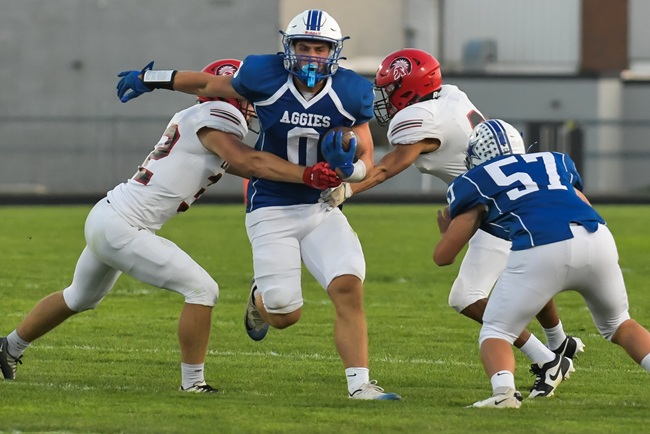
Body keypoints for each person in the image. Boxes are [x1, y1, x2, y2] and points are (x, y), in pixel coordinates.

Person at [0, 59, 343, 392]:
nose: (252, 106)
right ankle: (192, 382)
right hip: (124, 225)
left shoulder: (199, 119)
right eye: (246, 98)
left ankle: (9, 347)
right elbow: (248, 161)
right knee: (203, 290)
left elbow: (251, 166)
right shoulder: (220, 118)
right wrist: (307, 174)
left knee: (79, 296)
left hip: (110, 215)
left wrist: (307, 178)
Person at [115, 9, 401, 400]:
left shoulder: (352, 91)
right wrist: (152, 78)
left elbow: (367, 155)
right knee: (285, 314)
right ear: (289, 48)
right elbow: (207, 82)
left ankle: (360, 385)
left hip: (320, 207)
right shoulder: (263, 76)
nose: (312, 56)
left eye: (320, 48)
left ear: (334, 52)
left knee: (348, 285)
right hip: (271, 206)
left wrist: (347, 172)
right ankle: (259, 299)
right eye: (304, 47)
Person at [320, 48, 583, 396]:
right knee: (521, 271)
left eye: (391, 89)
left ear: (411, 89)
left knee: (466, 296)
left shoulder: (422, 119)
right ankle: (560, 342)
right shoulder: (449, 95)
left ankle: (547, 357)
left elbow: (386, 167)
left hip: (493, 209)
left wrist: (348, 190)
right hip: (515, 200)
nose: (385, 98)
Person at [433, 118, 650, 408]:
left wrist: (448, 232)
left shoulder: (476, 180)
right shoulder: (553, 162)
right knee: (619, 324)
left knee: (497, 331)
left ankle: (504, 395)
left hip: (542, 246)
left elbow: (443, 257)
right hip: (596, 236)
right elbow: (582, 204)